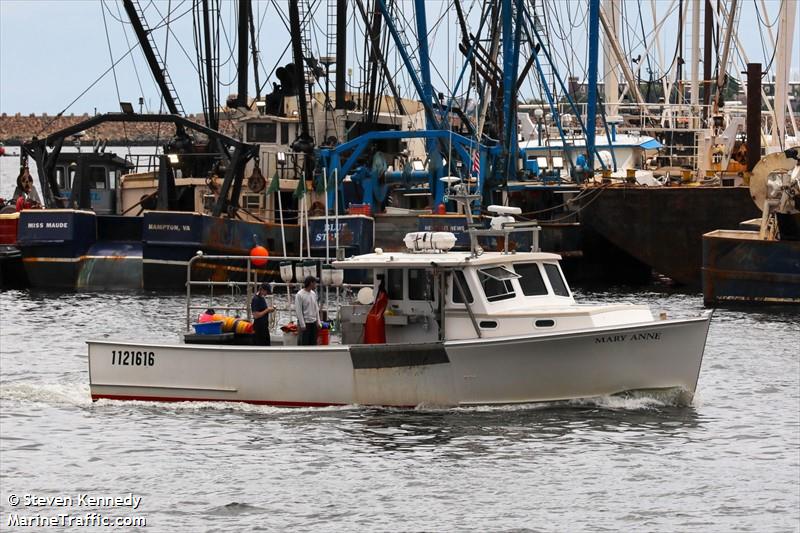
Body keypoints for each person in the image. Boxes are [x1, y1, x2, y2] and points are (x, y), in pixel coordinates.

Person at [295, 276, 321, 346]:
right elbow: (298, 310)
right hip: (305, 324)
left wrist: (318, 322)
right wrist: (302, 324)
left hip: (313, 323)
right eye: (315, 283)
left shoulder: (313, 294)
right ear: (311, 283)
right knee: (304, 344)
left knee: (313, 343)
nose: (316, 284)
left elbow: (316, 308)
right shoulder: (300, 295)